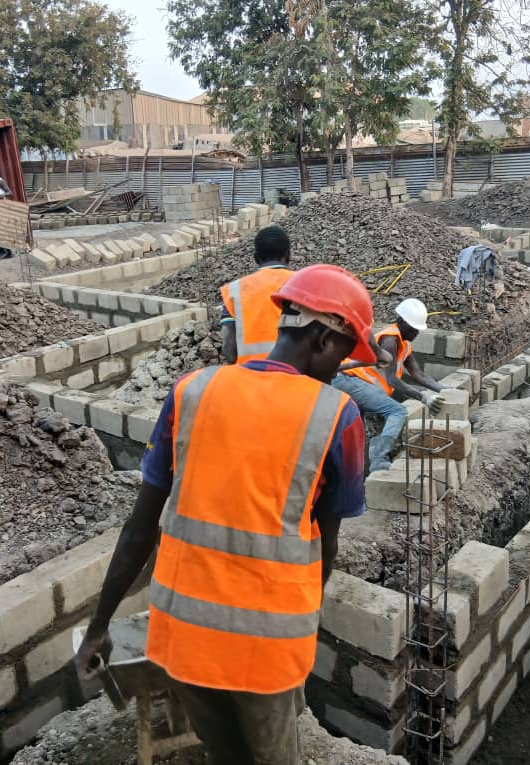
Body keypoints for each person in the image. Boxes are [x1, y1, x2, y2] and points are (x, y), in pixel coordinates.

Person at [74, 264, 377, 765]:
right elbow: (326, 542)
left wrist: (98, 626)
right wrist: (304, 621)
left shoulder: (191, 390)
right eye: (344, 356)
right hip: (266, 647)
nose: (341, 371)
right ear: (324, 339)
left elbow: (139, 528)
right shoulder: (336, 416)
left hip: (182, 635)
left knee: (223, 754)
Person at [332, 298, 445, 473]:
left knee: (356, 431)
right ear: (400, 321)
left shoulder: (405, 344)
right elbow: (392, 380)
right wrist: (423, 397)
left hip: (361, 385)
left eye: (418, 329)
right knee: (397, 411)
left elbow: (418, 374)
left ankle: (355, 473)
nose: (416, 333)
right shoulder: (390, 340)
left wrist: (445, 390)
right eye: (413, 327)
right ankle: (379, 461)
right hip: (350, 380)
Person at [219, 224, 294, 364]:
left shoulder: (234, 291)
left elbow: (229, 351)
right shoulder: (303, 284)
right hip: (298, 378)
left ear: (255, 258)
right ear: (288, 256)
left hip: (251, 379)